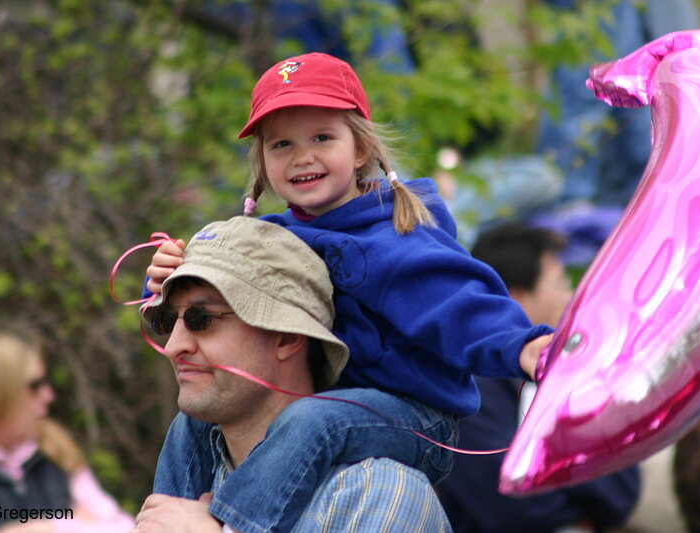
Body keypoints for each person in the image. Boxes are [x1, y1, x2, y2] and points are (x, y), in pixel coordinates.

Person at [145, 52, 554, 533]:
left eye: (322, 137)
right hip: (342, 405)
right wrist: (167, 275)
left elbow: (457, 303)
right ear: (263, 162)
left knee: (309, 421)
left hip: (417, 418)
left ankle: (233, 526)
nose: (302, 156)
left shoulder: (395, 239)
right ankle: (163, 519)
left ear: (359, 149)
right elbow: (216, 285)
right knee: (193, 415)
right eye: (281, 144)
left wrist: (522, 345)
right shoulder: (281, 237)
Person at [133, 216, 452, 532]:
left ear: (286, 336)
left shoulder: (379, 494)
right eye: (168, 321)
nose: (174, 346)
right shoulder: (193, 480)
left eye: (201, 318)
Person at [437, 223, 641, 533]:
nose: (570, 297)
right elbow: (509, 501)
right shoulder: (467, 390)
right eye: (560, 282)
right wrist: (581, 511)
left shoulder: (565, 374)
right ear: (516, 299)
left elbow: (623, 487)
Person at [0, 322, 135, 533]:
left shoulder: (53, 447)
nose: (49, 396)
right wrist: (77, 523)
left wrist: (47, 528)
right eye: (35, 386)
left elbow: (125, 527)